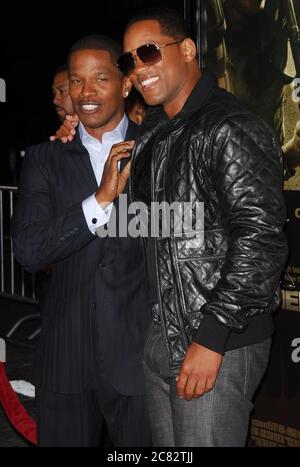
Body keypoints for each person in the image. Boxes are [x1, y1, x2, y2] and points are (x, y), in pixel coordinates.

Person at [117, 7, 288, 447]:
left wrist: (211, 337)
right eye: (128, 61)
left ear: (188, 49)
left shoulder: (230, 126)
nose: (138, 69)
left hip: (217, 339)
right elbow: (155, 230)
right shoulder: (156, 132)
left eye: (149, 53)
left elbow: (261, 240)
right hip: (164, 333)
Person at [12, 35, 151, 447]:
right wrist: (100, 200)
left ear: (125, 85)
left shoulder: (159, 147)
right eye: (76, 81)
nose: (86, 93)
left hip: (140, 361)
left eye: (100, 79)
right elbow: (29, 250)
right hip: (66, 360)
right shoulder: (45, 159)